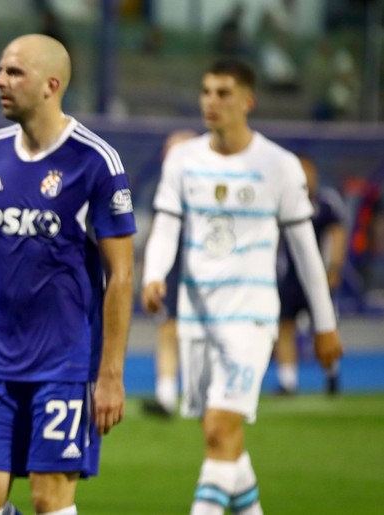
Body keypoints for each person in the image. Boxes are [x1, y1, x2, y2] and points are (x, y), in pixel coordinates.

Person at [141, 58, 342, 515]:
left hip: (251, 318)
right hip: (196, 318)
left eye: (224, 92)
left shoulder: (279, 165)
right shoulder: (183, 160)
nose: (212, 101)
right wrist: (154, 274)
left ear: (247, 101)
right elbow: (167, 227)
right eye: (207, 91)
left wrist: (325, 324)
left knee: (217, 429)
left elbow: (307, 251)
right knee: (225, 436)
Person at [0, 34, 136, 515]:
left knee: (49, 500)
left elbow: (121, 277)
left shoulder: (94, 161)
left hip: (66, 365)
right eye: (0, 69)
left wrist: (111, 375)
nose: (0, 80)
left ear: (50, 85)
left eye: (14, 72)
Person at [275, 156, 348, 395]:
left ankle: (331, 374)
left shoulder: (326, 202)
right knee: (284, 324)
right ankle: (287, 381)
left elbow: (337, 234)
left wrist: (334, 268)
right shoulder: (282, 200)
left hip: (318, 275)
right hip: (289, 276)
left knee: (325, 322)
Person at [142, 129, 198, 418]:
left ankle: (201, 395)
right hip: (173, 266)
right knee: (168, 327)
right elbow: (158, 231)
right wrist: (152, 272)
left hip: (207, 268)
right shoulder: (163, 188)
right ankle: (165, 395)